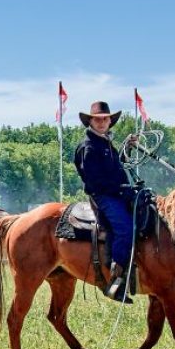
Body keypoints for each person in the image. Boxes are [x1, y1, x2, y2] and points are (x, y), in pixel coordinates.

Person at [73, 101, 135, 303]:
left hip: (118, 193)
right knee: (125, 226)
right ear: (90, 121)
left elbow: (116, 168)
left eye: (105, 119)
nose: (101, 122)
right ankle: (115, 278)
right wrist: (119, 189)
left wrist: (126, 149)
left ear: (110, 121)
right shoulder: (88, 146)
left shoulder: (106, 143)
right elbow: (93, 179)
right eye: (97, 119)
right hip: (104, 196)